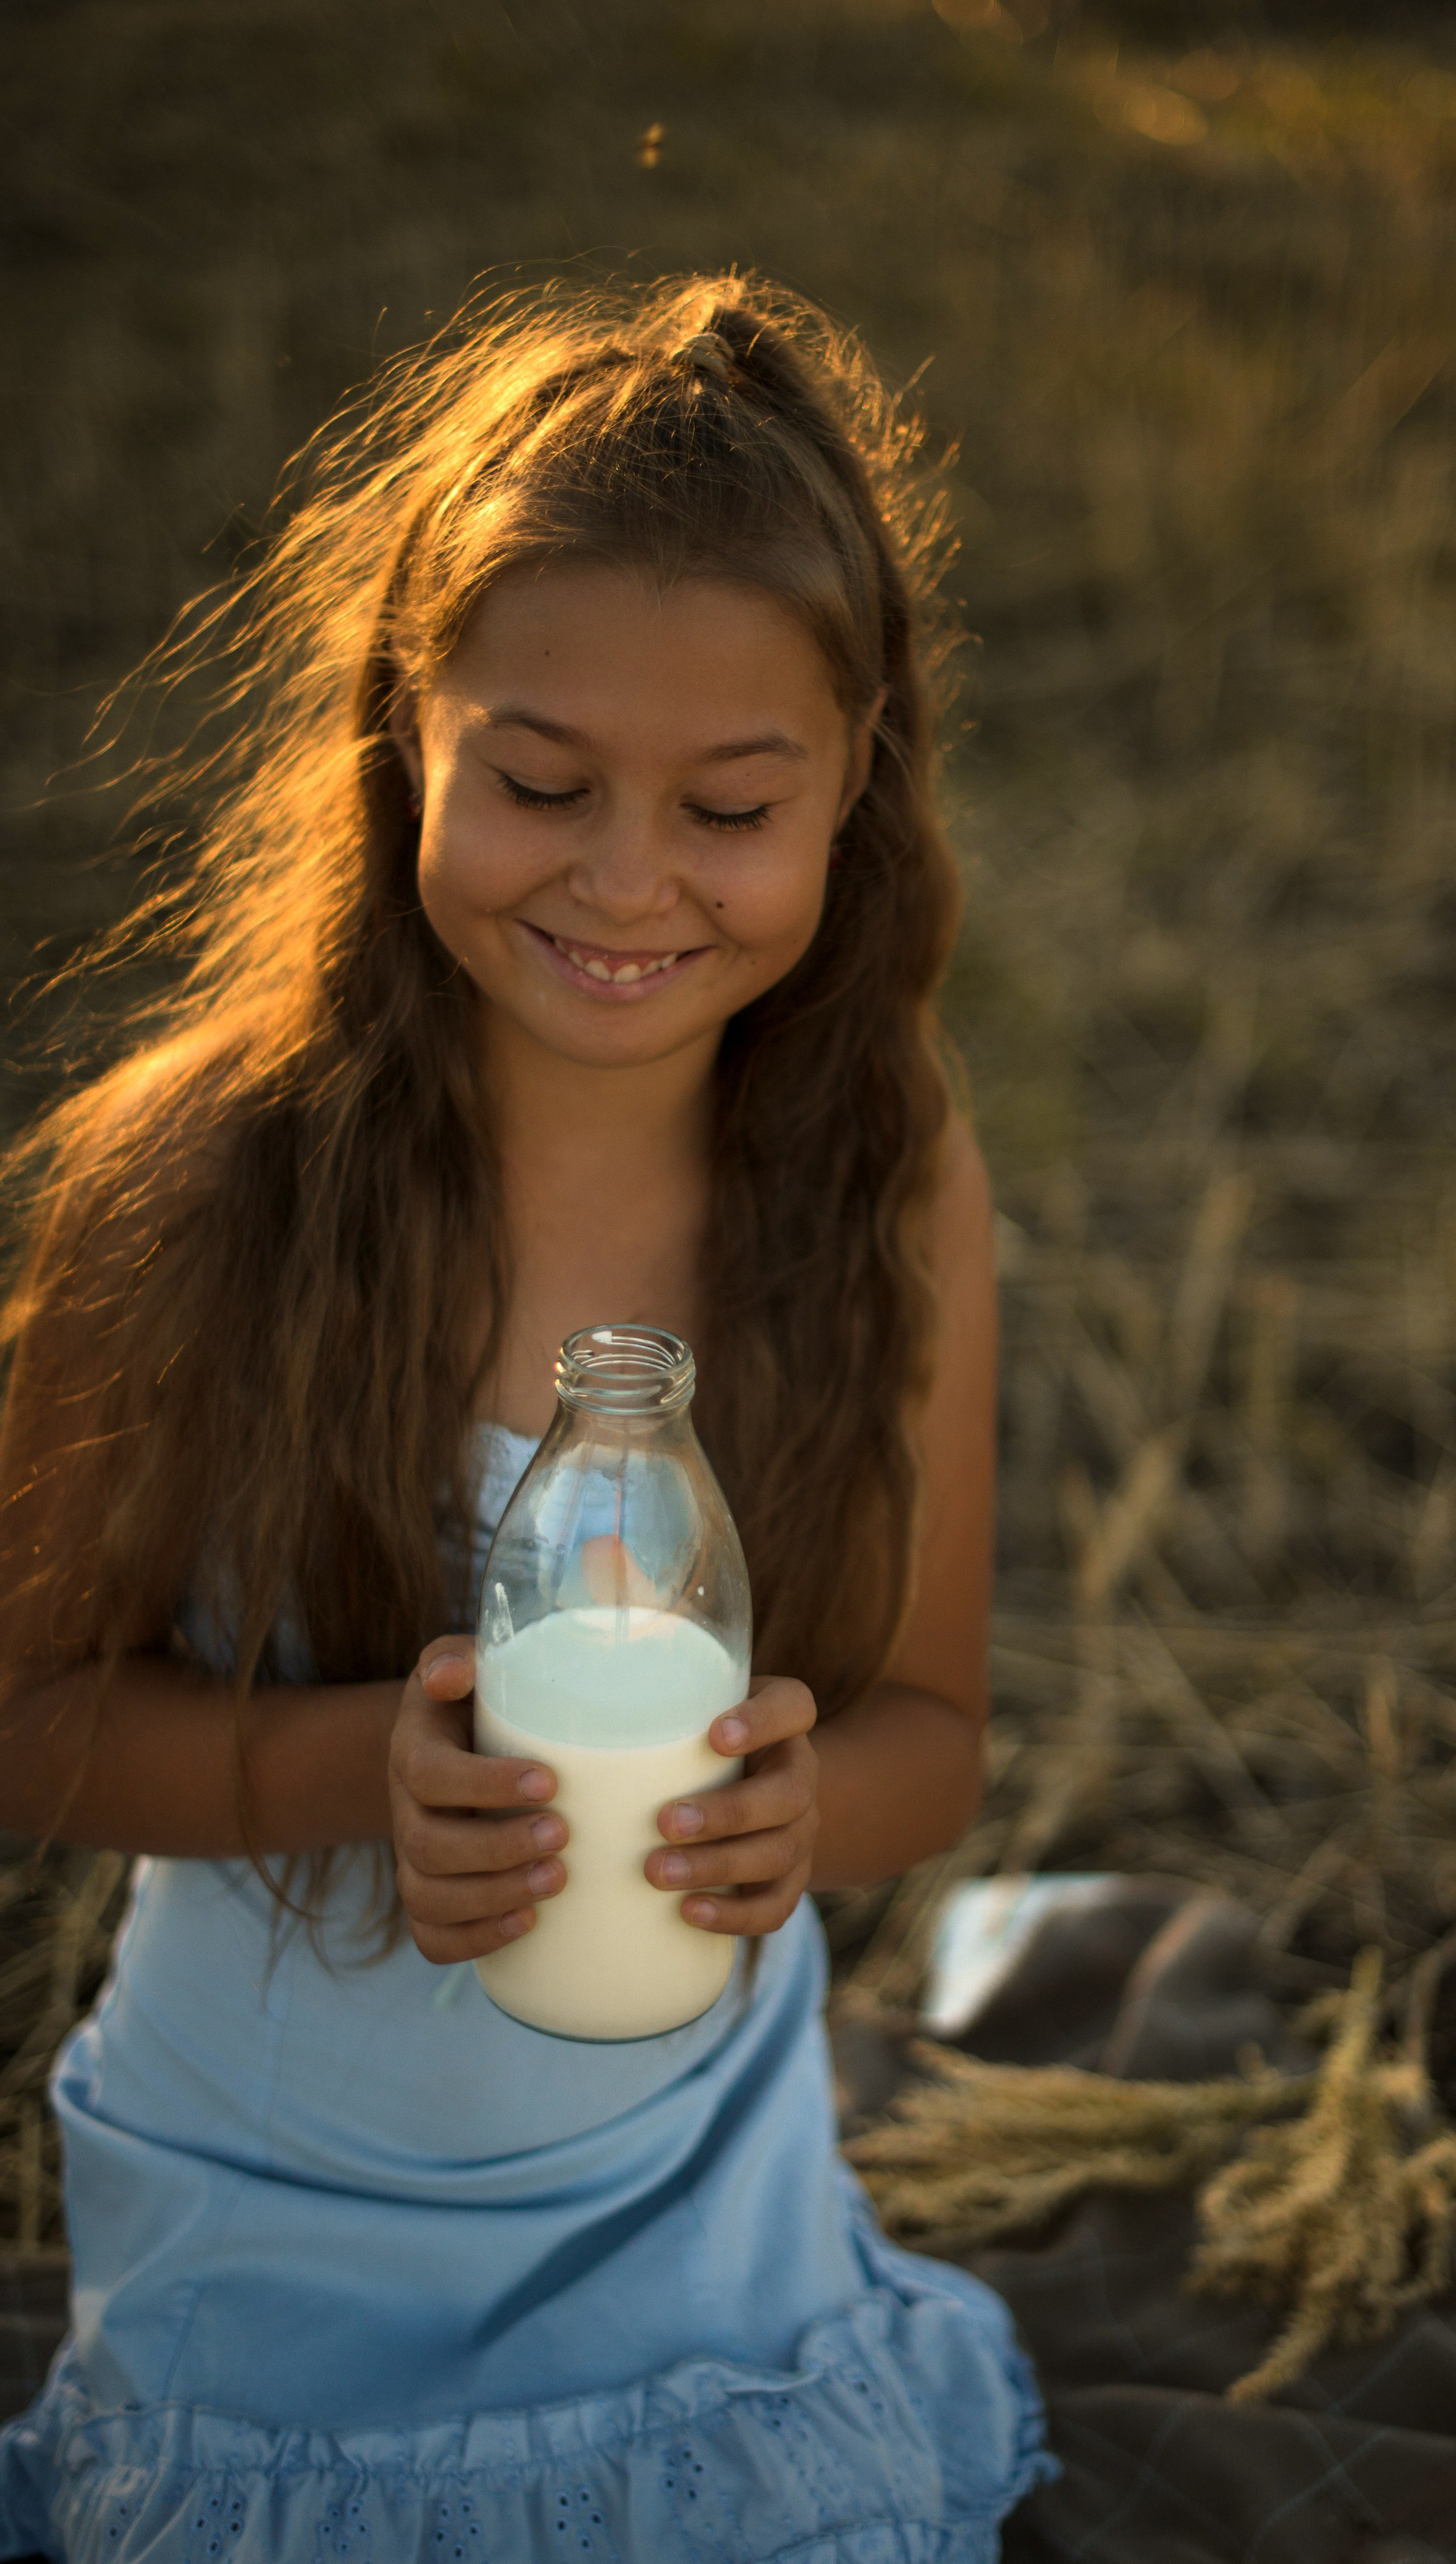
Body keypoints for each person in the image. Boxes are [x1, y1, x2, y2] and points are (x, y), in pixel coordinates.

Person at [0, 275, 1053, 2562]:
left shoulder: (889, 1192)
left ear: (855, 778)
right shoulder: (196, 1180)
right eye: (544, 781)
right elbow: (34, 1716)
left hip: (694, 2222)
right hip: (280, 2228)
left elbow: (936, 1731)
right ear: (406, 732)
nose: (626, 877)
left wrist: (798, 1814)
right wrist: (339, 1770)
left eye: (733, 802)